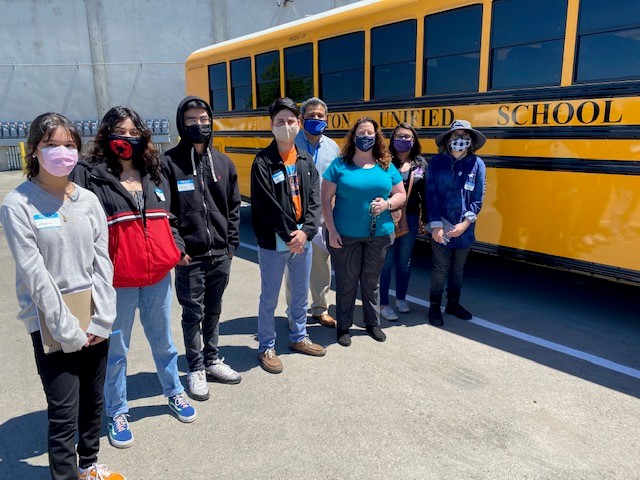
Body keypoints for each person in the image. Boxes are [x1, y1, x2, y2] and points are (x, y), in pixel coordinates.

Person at [0, 113, 125, 479]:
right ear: (34, 150)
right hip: (51, 320)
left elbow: (102, 260)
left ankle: (88, 466)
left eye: (69, 145)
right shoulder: (18, 204)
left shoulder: (87, 199)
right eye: (52, 144)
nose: (62, 152)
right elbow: (34, 274)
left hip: (94, 312)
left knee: (93, 401)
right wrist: (66, 329)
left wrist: (103, 317)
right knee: (63, 410)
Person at [72, 106, 196, 449]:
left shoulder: (154, 174)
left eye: (133, 133)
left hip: (157, 275)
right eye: (119, 132)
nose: (126, 139)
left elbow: (168, 219)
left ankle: (174, 391)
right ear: (106, 136)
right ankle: (116, 411)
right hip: (117, 281)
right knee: (116, 350)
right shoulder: (93, 176)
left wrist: (177, 246)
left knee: (164, 342)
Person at [163, 96, 242, 400]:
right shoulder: (168, 164)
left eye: (204, 119)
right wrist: (177, 248)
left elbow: (234, 207)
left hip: (221, 255)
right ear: (181, 123)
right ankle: (194, 367)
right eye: (191, 120)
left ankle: (212, 359)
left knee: (214, 309)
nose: (199, 124)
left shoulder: (223, 162)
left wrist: (231, 244)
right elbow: (165, 213)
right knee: (191, 313)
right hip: (190, 258)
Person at [251, 97, 326, 374]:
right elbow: (266, 205)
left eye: (291, 121)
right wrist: (290, 234)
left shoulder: (305, 160)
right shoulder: (262, 162)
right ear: (271, 126)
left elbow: (315, 200)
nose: (286, 126)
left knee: (299, 295)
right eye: (280, 122)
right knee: (269, 296)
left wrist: (306, 232)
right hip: (274, 241)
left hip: (301, 240)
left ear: (299, 124)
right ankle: (266, 346)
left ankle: (299, 337)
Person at [322, 117, 406, 347]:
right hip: (345, 235)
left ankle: (372, 324)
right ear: (353, 136)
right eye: (361, 133)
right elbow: (325, 200)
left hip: (379, 234)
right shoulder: (339, 165)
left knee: (371, 281)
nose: (366, 137)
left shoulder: (386, 164)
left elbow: (401, 194)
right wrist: (331, 231)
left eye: (370, 133)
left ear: (376, 136)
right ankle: (344, 326)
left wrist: (387, 204)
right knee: (347, 281)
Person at [283, 97, 341, 328]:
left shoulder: (332, 147)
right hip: (296, 218)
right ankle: (293, 313)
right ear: (301, 118)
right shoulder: (289, 143)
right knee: (295, 269)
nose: (315, 119)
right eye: (311, 115)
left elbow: (337, 180)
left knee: (321, 267)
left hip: (322, 219)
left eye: (320, 116)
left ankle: (320, 308)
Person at [426, 119, 486, 326]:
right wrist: (436, 225)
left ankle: (453, 303)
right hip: (440, 225)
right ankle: (434, 306)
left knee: (458, 269)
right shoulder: (436, 162)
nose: (459, 140)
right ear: (448, 139)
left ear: (471, 141)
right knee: (440, 267)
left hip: (464, 228)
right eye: (455, 136)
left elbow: (478, 197)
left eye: (464, 136)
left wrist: (465, 224)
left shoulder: (477, 164)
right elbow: (430, 194)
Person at [379, 123, 428, 321]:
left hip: (411, 218)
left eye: (408, 137)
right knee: (386, 262)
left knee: (404, 262)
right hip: (387, 217)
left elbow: (426, 193)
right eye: (399, 136)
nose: (403, 140)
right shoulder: (383, 162)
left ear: (414, 140)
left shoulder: (421, 164)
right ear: (392, 140)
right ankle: (383, 303)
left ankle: (401, 298)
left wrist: (426, 218)